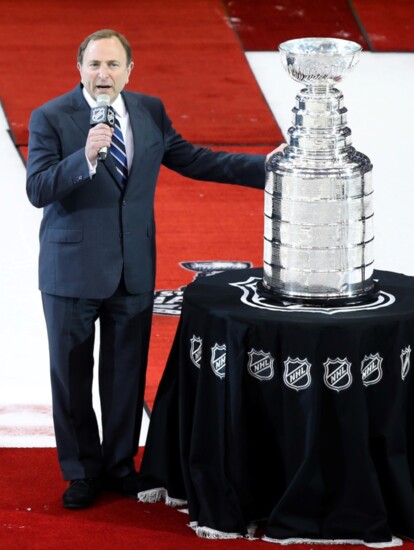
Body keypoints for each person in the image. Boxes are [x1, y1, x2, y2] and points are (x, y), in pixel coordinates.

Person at [26, 28, 285, 510]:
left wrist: (267, 168)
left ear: (130, 70)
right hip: (70, 272)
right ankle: (82, 470)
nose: (103, 74)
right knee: (72, 376)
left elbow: (193, 159)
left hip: (135, 269)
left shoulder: (149, 111)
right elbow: (38, 188)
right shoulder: (51, 118)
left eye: (112, 65)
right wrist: (84, 156)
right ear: (78, 68)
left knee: (126, 374)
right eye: (94, 65)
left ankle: (121, 464)